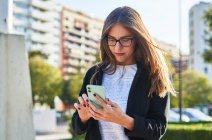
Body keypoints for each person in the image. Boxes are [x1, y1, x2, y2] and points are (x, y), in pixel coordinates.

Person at [72, 6, 175, 140]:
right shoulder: (94, 74)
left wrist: (123, 119)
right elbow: (77, 128)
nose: (117, 47)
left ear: (137, 39)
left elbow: (158, 129)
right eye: (112, 40)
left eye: (125, 40)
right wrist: (83, 116)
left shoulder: (154, 75)